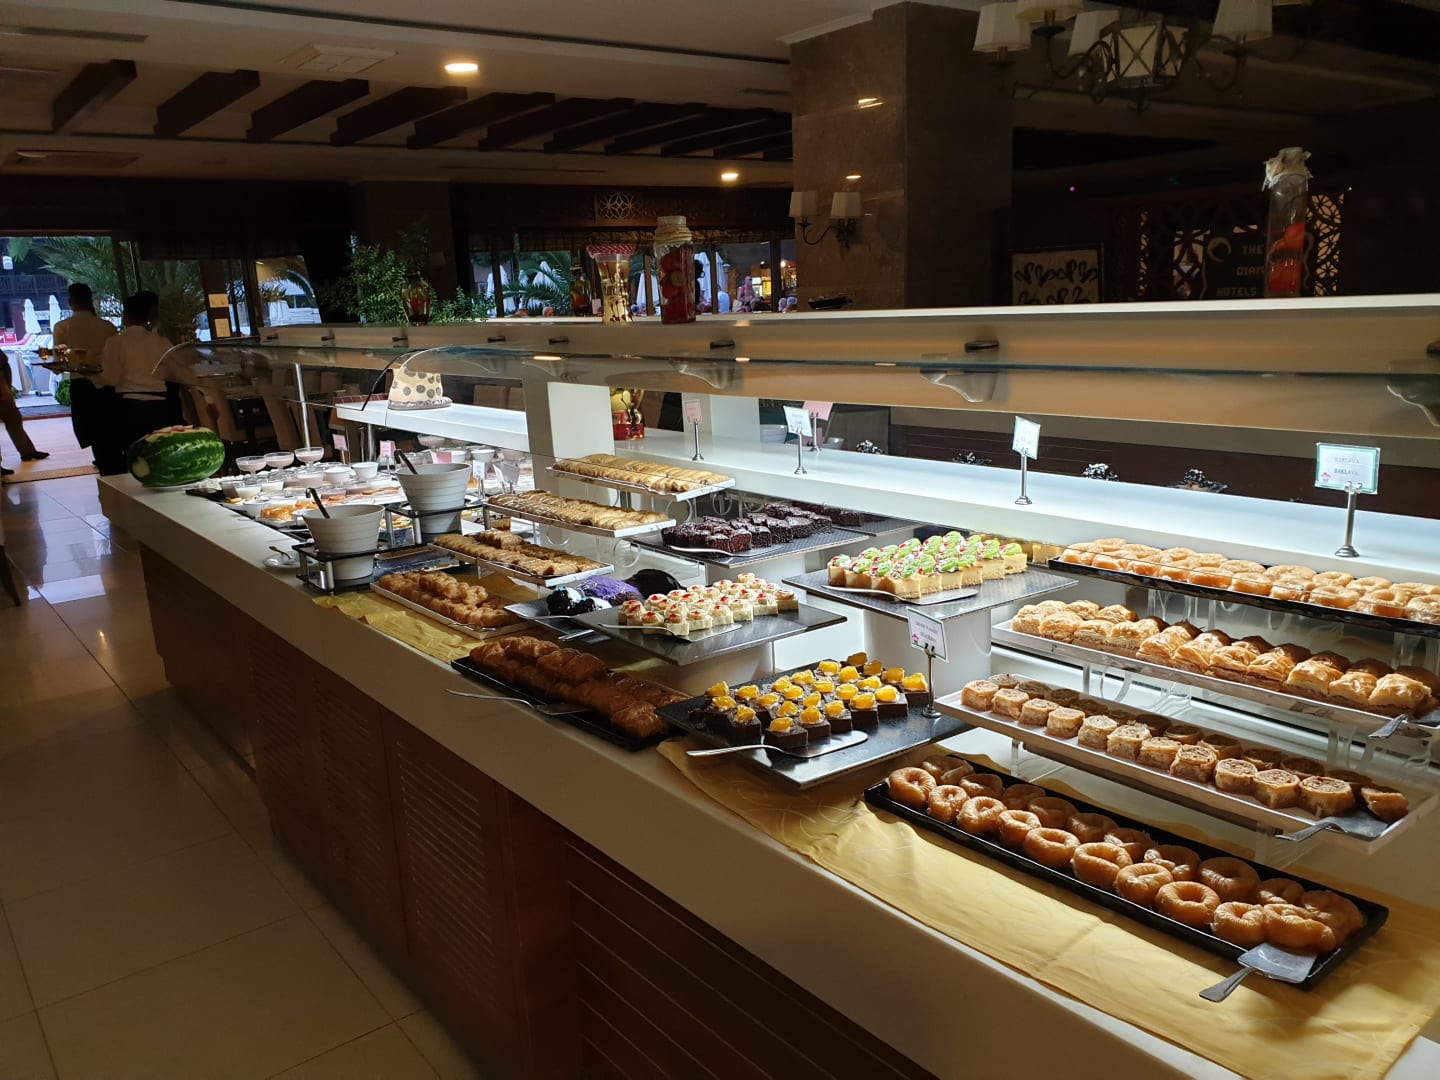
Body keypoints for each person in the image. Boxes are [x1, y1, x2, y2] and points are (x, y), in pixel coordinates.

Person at [93, 291, 182, 475]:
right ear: (149, 316)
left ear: (125, 316)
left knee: (136, 458)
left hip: (130, 408)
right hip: (161, 407)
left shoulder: (115, 342)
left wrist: (92, 378)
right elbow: (175, 373)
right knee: (161, 455)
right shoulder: (161, 342)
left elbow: (111, 378)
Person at [52, 283, 117, 467]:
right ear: (90, 301)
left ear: (70, 302)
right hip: (107, 384)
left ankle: (104, 463)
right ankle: (112, 462)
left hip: (81, 384)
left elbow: (59, 362)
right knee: (109, 428)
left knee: (91, 429)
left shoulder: (62, 327)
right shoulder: (107, 326)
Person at [0, 351, 46, 476]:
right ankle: (27, 452)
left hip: (3, 392)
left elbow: (4, 363)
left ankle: (28, 452)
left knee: (15, 420)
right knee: (14, 420)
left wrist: (7, 387)